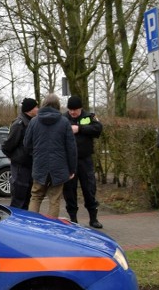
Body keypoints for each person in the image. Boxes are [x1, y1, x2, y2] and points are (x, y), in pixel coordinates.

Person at [22, 93, 77, 218]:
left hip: (39, 165)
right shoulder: (64, 122)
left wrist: (35, 154)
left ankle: (32, 227)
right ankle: (51, 230)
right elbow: (71, 148)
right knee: (54, 200)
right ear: (58, 105)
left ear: (43, 104)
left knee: (36, 196)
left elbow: (26, 144)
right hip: (59, 167)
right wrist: (72, 169)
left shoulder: (34, 121)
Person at [63, 95, 104, 228]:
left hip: (85, 160)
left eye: (75, 109)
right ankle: (73, 219)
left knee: (89, 189)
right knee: (70, 190)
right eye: (70, 109)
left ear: (81, 108)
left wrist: (79, 128)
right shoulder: (63, 118)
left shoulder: (88, 117)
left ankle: (93, 219)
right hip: (69, 162)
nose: (73, 112)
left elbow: (98, 129)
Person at [1, 97, 38, 209]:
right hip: (20, 168)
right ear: (29, 109)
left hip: (29, 166)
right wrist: (14, 157)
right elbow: (8, 145)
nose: (38, 109)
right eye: (36, 107)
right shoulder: (19, 124)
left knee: (27, 199)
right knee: (19, 199)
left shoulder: (32, 122)